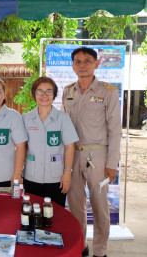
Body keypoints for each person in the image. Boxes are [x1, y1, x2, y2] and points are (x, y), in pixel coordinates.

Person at [61, 47, 122, 257]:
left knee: (99, 207)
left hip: (97, 156)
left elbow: (115, 131)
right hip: (72, 155)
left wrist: (112, 163)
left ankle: (100, 251)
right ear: (72, 66)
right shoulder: (68, 91)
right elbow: (63, 126)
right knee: (76, 206)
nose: (82, 65)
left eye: (87, 61)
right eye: (77, 61)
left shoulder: (108, 91)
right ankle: (81, 246)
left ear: (96, 64)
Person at [22, 77, 78, 207]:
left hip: (56, 178)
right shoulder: (25, 119)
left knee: (55, 217)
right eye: (39, 91)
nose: (44, 95)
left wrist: (67, 173)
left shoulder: (63, 118)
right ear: (34, 94)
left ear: (54, 95)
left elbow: (70, 147)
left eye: (49, 91)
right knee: (32, 215)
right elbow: (22, 147)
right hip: (31, 176)